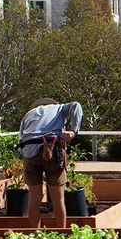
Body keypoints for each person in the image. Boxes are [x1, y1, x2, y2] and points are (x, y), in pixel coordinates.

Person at [17, 98, 83, 228]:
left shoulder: (28, 114)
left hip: (29, 152)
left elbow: (20, 141)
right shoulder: (59, 108)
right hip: (52, 149)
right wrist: (73, 132)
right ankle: (61, 237)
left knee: (34, 199)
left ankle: (35, 237)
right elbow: (76, 106)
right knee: (58, 199)